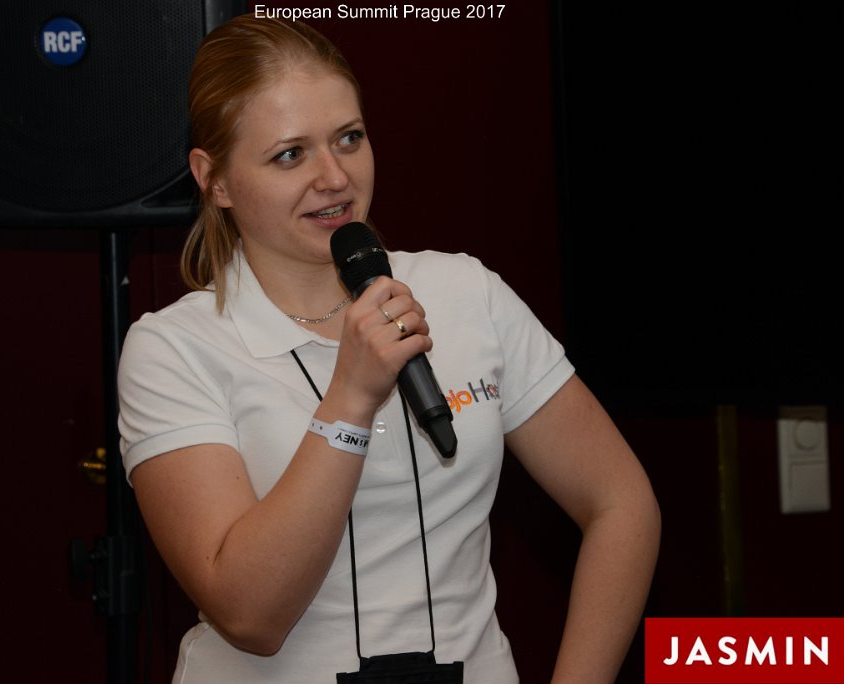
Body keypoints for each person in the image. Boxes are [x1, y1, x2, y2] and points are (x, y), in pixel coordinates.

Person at [117, 14, 660, 683]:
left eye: (349, 138)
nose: (334, 176)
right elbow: (251, 616)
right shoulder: (173, 348)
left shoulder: (467, 291)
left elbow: (621, 502)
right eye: (290, 155)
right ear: (215, 179)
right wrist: (349, 399)